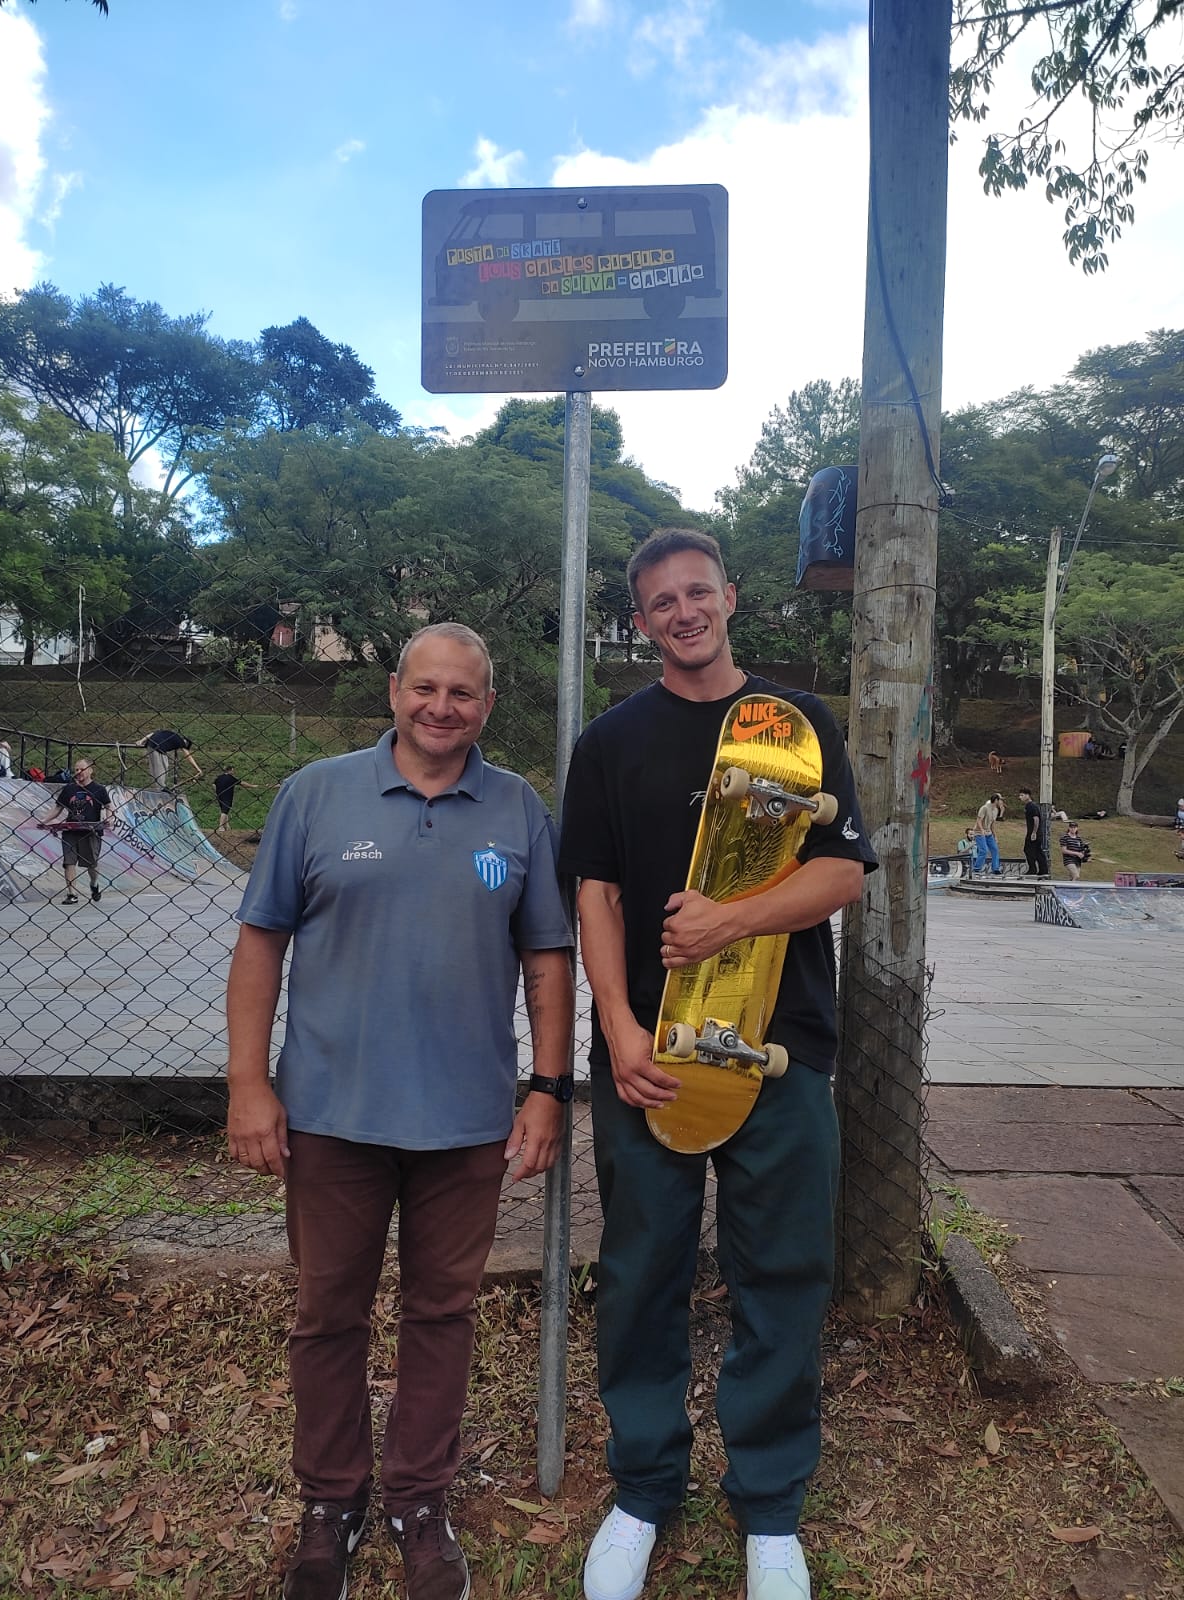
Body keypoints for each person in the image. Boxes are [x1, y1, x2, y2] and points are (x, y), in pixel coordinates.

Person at [225, 622, 574, 1600]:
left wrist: (547, 1088)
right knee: (328, 1313)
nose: (441, 707)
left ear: (487, 707)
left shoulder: (516, 811)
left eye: (462, 693)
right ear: (393, 690)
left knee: (442, 1314)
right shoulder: (317, 795)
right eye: (426, 687)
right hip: (332, 1113)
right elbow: (261, 944)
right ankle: (328, 1503)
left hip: (464, 1122)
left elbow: (548, 954)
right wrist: (249, 1084)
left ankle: (421, 1499)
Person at [559, 529, 876, 1600]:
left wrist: (726, 923)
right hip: (648, 1057)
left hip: (784, 1057)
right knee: (641, 1273)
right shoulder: (610, 742)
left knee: (781, 1273)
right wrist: (618, 1024)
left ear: (730, 597)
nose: (683, 611)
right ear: (640, 619)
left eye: (699, 592)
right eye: (661, 601)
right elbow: (593, 892)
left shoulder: (794, 728)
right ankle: (645, 1489)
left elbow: (841, 874)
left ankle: (770, 1508)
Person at [41, 757, 113, 905]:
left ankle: (94, 884)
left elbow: (108, 806)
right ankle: (71, 894)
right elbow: (57, 808)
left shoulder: (99, 789)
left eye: (82, 769)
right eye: (76, 770)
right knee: (69, 862)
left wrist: (109, 818)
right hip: (70, 830)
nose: (79, 772)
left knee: (91, 864)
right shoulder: (69, 789)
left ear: (90, 770)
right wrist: (44, 821)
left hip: (91, 831)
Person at [134, 729, 202, 788]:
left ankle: (158, 785)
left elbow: (152, 734)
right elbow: (189, 756)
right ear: (186, 744)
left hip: (150, 745)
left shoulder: (172, 734)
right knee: (162, 767)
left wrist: (141, 740)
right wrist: (198, 769)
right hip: (158, 748)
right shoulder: (181, 742)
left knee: (156, 767)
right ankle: (161, 787)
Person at [214, 764, 262, 833]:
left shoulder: (219, 777)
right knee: (225, 810)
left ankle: (226, 826)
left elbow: (214, 784)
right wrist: (252, 786)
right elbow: (242, 783)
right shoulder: (230, 778)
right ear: (230, 770)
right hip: (227, 795)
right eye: (233, 770)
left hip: (219, 795)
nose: (233, 772)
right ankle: (220, 826)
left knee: (224, 810)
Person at [1018, 787, 1049, 876]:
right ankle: (1043, 870)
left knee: (1028, 850)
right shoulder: (1028, 806)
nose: (1020, 797)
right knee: (1037, 851)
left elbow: (1036, 819)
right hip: (1033, 832)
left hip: (1034, 833)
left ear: (1028, 795)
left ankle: (1033, 869)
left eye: (1022, 795)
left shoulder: (1032, 806)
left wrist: (1034, 832)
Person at [972, 792, 1004, 875]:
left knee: (995, 849)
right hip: (979, 832)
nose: (1001, 802)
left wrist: (995, 835)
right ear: (996, 800)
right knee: (984, 850)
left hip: (988, 833)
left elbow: (992, 824)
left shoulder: (996, 810)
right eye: (1000, 800)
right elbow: (979, 820)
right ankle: (976, 868)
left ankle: (995, 868)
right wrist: (981, 830)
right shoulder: (985, 808)